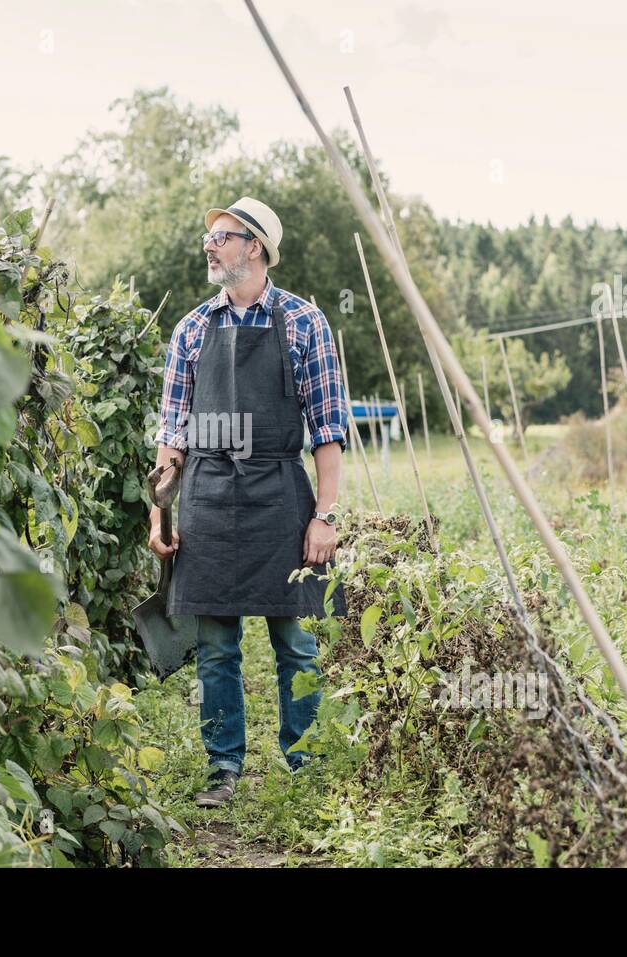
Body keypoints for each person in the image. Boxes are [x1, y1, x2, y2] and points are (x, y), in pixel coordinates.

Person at [150, 196, 350, 808]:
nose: (209, 246)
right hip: (207, 497)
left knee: (295, 641)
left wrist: (325, 515)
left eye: (221, 237)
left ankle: (305, 763)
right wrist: (159, 511)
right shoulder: (191, 329)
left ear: (254, 246)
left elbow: (328, 429)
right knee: (216, 646)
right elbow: (172, 435)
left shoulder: (303, 323)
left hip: (278, 495)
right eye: (208, 237)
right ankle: (223, 768)